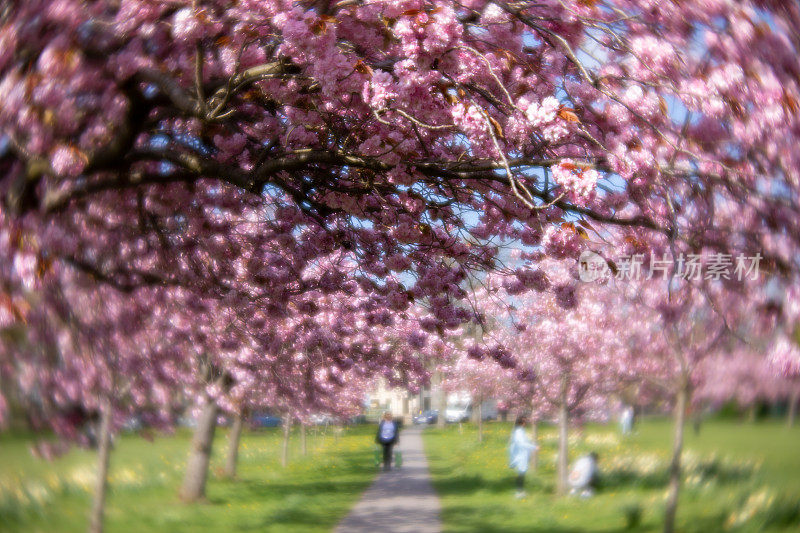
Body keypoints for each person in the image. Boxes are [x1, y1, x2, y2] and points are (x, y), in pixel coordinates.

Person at [508, 415, 538, 499]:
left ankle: (520, 491)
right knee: (521, 473)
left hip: (522, 454)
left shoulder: (520, 431)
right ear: (521, 423)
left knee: (522, 472)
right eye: (524, 422)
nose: (526, 423)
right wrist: (534, 447)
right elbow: (522, 443)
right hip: (520, 455)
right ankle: (519, 491)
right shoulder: (518, 432)